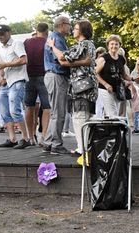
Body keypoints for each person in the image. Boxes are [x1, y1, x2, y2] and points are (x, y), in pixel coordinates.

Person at [47, 20, 97, 156]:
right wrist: (79, 62)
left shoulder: (83, 44)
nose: (73, 30)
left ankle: (82, 149)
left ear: (81, 31)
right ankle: (85, 147)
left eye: (75, 28)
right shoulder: (88, 45)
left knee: (80, 117)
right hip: (87, 86)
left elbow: (62, 58)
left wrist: (52, 46)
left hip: (82, 86)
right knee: (84, 117)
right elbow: (83, 62)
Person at [0, 25, 32, 150]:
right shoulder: (1, 48)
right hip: (7, 81)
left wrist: (6, 64)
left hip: (17, 80)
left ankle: (25, 138)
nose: (0, 36)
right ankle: (12, 139)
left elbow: (24, 60)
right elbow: (0, 66)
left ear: (9, 32)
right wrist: (1, 78)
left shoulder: (17, 44)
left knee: (14, 109)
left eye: (2, 34)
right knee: (4, 111)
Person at [43, 16, 72, 154]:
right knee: (59, 112)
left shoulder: (55, 37)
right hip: (57, 76)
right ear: (61, 25)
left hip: (52, 76)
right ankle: (56, 144)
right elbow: (62, 59)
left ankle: (48, 141)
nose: (70, 27)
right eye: (68, 24)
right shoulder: (57, 39)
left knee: (55, 111)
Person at [23, 23, 51, 146]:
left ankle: (30, 136)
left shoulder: (27, 42)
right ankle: (43, 136)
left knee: (29, 106)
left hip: (28, 76)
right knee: (47, 107)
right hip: (43, 76)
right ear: (47, 31)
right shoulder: (48, 42)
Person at [95, 35, 133, 118]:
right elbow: (95, 74)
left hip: (117, 89)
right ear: (108, 45)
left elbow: (124, 75)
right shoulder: (104, 58)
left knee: (113, 113)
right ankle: (115, 131)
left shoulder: (121, 59)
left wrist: (133, 78)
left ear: (119, 45)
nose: (114, 46)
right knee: (113, 113)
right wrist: (106, 84)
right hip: (105, 90)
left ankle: (110, 130)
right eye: (112, 44)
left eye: (116, 44)